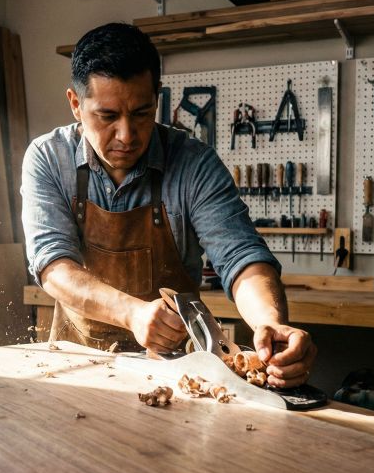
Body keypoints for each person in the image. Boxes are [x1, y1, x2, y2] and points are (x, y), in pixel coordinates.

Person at [20, 23, 315, 388]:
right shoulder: (49, 159)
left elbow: (240, 257)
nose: (126, 136)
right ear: (76, 104)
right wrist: (133, 313)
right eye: (108, 116)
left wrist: (268, 320)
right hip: (80, 368)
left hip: (178, 373)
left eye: (142, 114)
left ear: (157, 98)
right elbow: (53, 265)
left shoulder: (194, 163)